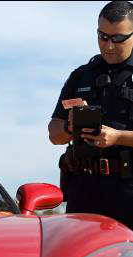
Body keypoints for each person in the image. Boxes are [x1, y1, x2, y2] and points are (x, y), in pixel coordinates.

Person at [48, 1, 133, 230]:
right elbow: (53, 133)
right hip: (83, 190)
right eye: (102, 36)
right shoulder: (81, 76)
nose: (109, 45)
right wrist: (68, 127)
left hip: (128, 190)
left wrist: (118, 137)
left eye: (117, 38)